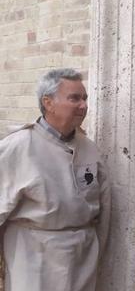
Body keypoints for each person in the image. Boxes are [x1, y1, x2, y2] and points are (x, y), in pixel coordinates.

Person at [0, 68, 110, 291]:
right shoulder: (16, 147)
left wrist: (98, 250)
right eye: (74, 98)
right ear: (48, 102)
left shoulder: (89, 149)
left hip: (83, 257)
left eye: (85, 98)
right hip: (34, 258)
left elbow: (104, 207)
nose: (83, 105)